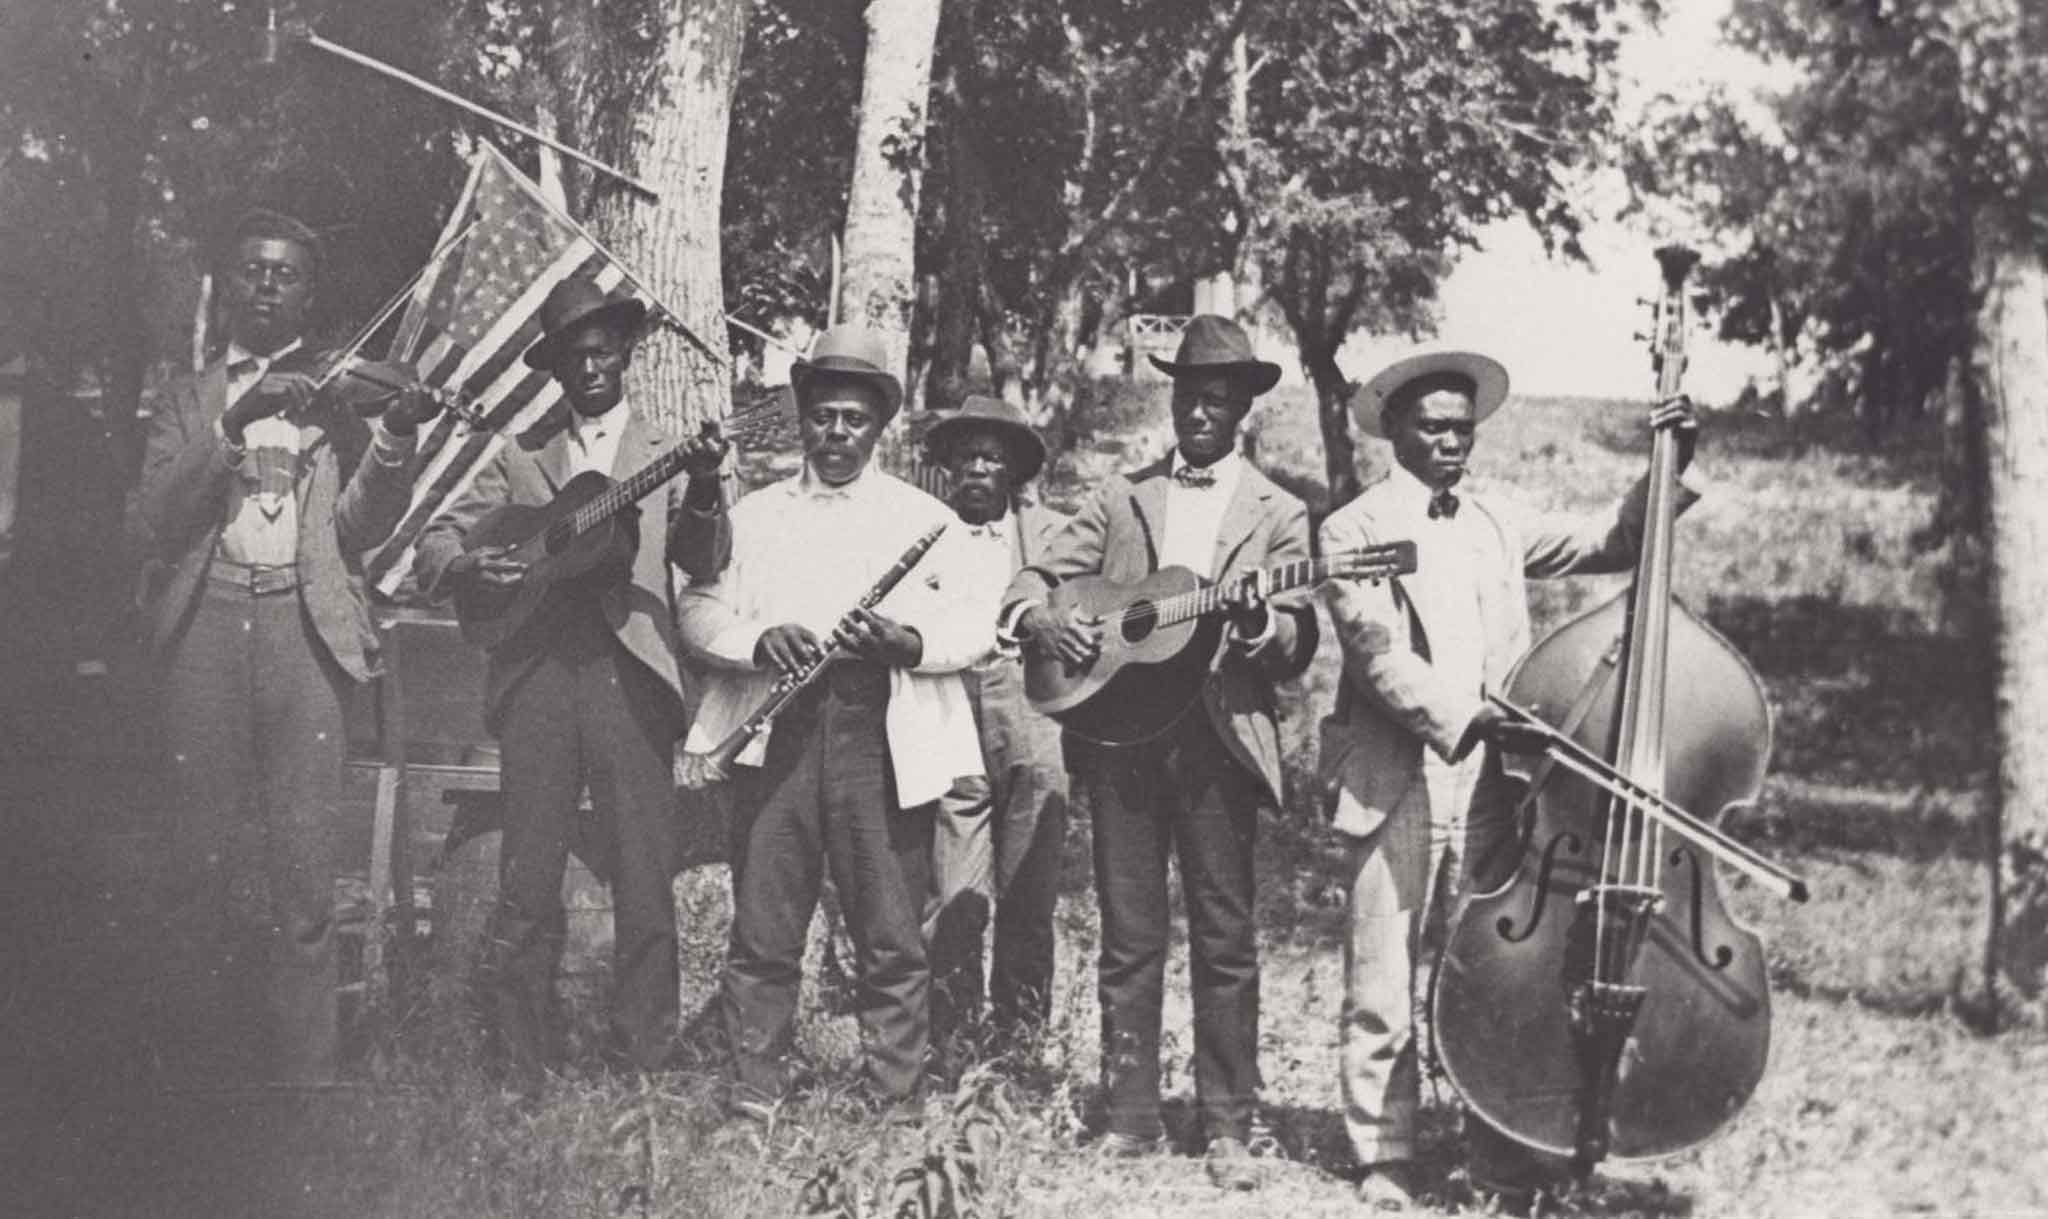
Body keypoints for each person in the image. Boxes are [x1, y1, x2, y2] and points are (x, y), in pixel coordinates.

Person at [1317, 351, 1703, 1210]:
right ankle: (1384, 1153)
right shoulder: (1351, 527)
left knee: (1490, 969)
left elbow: (1614, 540)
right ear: (1395, 430)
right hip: (1396, 777)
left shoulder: (1496, 520)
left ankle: (1494, 1144)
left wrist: (1669, 464)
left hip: (1494, 785)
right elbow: (1377, 656)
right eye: (1433, 427)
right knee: (1381, 976)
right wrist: (1475, 717)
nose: (1452, 442)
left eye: (1464, 428)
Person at [1001, 315, 1318, 1191]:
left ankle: (1230, 1124)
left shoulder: (1279, 512)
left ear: (1243, 408)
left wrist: (1258, 620)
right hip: (1123, 742)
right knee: (1129, 932)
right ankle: (1130, 1116)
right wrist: (1040, 618)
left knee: (1225, 937)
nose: (1199, 413)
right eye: (1188, 398)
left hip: (1220, 741)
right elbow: (1037, 575)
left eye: (1216, 400)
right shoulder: (1122, 495)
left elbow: (1297, 639)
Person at [134, 208, 443, 1085]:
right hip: (206, 622)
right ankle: (188, 1076)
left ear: (309, 294)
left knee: (305, 872)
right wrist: (237, 421)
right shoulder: (188, 394)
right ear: (229, 284)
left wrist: (395, 435)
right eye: (253, 270)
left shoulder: (336, 396)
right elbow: (155, 518)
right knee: (194, 860)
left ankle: (306, 1082)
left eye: (287, 274)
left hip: (303, 630)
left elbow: (360, 528)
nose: (268, 285)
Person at [413, 278, 730, 1085]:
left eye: (602, 351)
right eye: (573, 356)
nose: (590, 367)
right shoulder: (522, 453)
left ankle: (644, 1062)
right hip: (539, 675)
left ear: (624, 354)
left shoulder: (664, 451)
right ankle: (520, 1061)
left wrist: (703, 484)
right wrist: (468, 566)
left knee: (645, 874)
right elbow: (438, 538)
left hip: (630, 676)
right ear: (555, 367)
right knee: (528, 873)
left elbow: (705, 560)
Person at [677, 325, 991, 1110]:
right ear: (804, 418)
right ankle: (755, 1091)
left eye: (854, 418)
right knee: (765, 921)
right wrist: (758, 639)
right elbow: (697, 609)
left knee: (889, 925)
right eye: (823, 416)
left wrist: (907, 642)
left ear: (879, 423)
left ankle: (894, 1096)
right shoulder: (756, 514)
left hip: (878, 730)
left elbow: (975, 624)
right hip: (779, 729)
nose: (837, 433)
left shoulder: (927, 519)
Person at [919, 395, 1070, 1063]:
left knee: (1030, 886)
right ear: (948, 466)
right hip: (948, 703)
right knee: (953, 888)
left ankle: (1019, 1046)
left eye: (992, 457)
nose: (978, 469)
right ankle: (951, 1043)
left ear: (1014, 470)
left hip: (1031, 705)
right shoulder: (925, 534)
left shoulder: (1054, 536)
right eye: (966, 457)